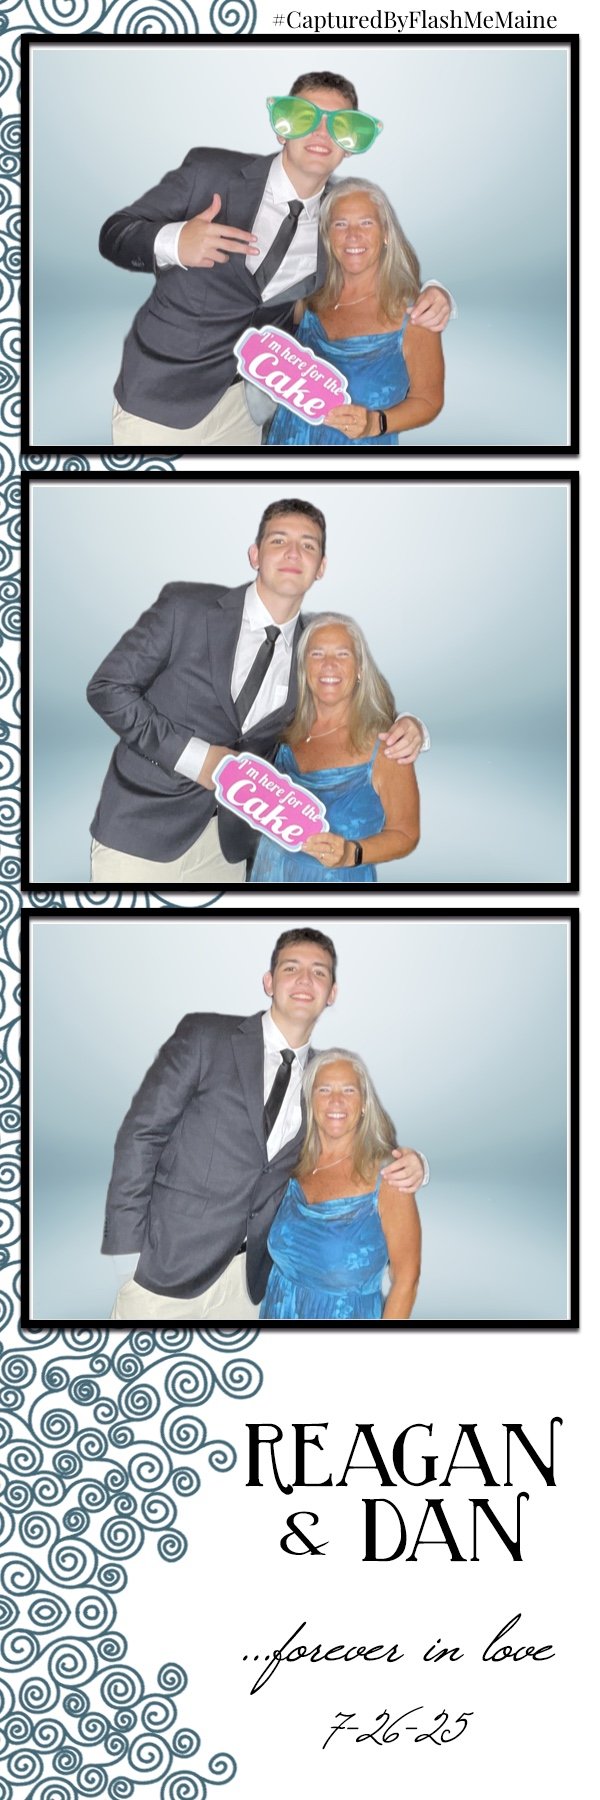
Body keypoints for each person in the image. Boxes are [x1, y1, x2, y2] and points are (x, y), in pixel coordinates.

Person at [99, 70, 453, 448]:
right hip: (159, 398)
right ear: (282, 129)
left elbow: (372, 261)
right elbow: (115, 234)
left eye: (339, 125)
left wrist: (435, 292)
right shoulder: (209, 172)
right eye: (305, 118)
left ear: (348, 145)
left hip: (248, 408)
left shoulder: (339, 213)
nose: (321, 133)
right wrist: (174, 241)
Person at [87, 500, 428, 887]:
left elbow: (356, 698)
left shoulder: (316, 646)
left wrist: (412, 725)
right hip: (139, 832)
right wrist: (196, 758)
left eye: (308, 545)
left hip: (230, 852)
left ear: (321, 567)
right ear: (255, 555)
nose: (293, 553)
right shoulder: (185, 608)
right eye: (279, 540)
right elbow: (108, 688)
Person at [103, 929, 428, 1322]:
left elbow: (365, 1145)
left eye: (319, 972)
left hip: (253, 1285)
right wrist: (127, 1255)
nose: (305, 979)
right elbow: (141, 1136)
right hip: (164, 1272)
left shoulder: (324, 1079)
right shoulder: (206, 1036)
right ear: (269, 982)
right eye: (291, 968)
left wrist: (417, 1164)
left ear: (332, 993)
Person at [265, 178, 444, 447]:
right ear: (327, 235)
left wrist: (375, 423)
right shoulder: (308, 298)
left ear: (386, 233)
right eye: (340, 224)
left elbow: (429, 401)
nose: (353, 235)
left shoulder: (415, 314)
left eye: (366, 223)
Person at [250, 613, 420, 884]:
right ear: (303, 667)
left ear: (360, 668)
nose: (329, 664)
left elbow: (406, 834)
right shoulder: (280, 731)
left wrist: (352, 853)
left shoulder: (387, 747)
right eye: (317, 654)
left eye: (342, 654)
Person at [261, 1050, 422, 1321]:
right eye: (324, 1090)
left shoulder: (389, 1177)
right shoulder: (291, 1162)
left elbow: (407, 1279)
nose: (336, 1100)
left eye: (349, 1090)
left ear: (364, 1103)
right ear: (310, 1100)